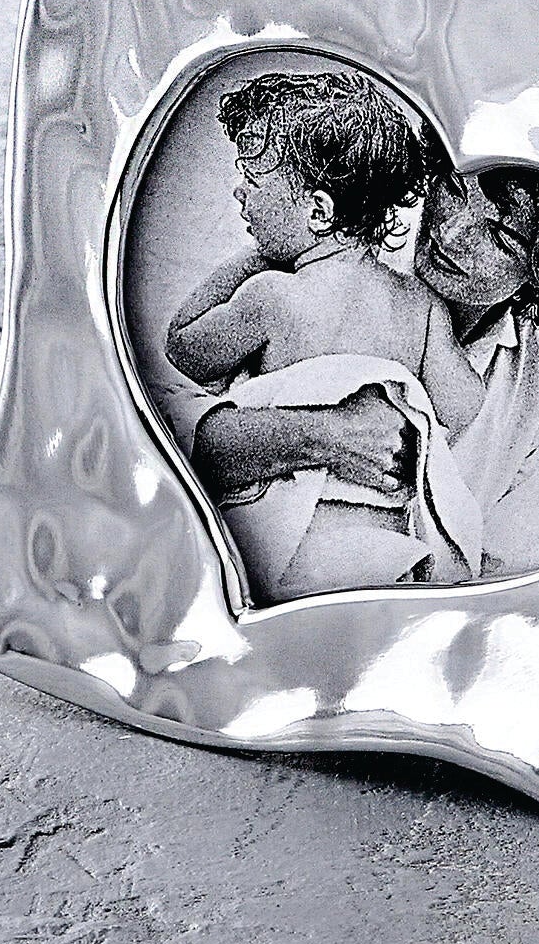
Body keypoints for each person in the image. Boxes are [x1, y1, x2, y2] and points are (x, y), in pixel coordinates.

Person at [189, 148, 539, 581]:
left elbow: (503, 574)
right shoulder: (318, 255)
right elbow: (170, 422)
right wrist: (324, 434)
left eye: (500, 236)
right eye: (453, 189)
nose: (450, 233)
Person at [164, 71, 485, 599]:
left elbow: (184, 348)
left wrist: (255, 258)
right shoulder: (420, 306)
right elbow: (463, 407)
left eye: (253, 180)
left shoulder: (274, 296)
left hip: (289, 548)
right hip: (386, 552)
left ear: (318, 211)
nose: (240, 193)